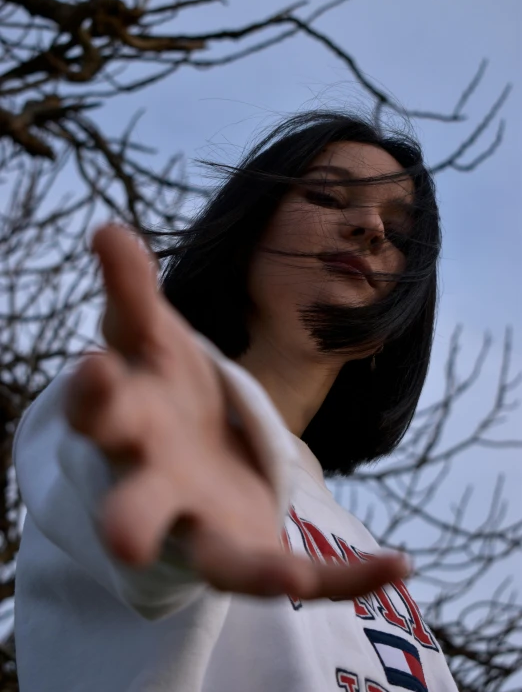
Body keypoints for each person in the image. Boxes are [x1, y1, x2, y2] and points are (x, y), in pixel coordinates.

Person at [14, 111, 458, 691]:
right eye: (326, 196)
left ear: (389, 328)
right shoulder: (118, 402)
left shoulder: (367, 555)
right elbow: (125, 508)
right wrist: (181, 522)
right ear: (245, 233)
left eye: (398, 235)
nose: (371, 226)